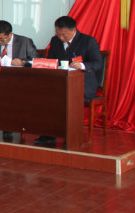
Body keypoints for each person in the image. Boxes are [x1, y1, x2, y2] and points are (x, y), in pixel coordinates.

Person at [36, 16, 104, 146]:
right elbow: (51, 60)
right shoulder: (55, 40)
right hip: (60, 82)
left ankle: (71, 135)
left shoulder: (88, 41)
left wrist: (82, 65)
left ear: (74, 30)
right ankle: (49, 133)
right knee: (45, 95)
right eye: (58, 34)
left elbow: (98, 63)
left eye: (64, 35)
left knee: (68, 97)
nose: (61, 38)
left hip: (83, 84)